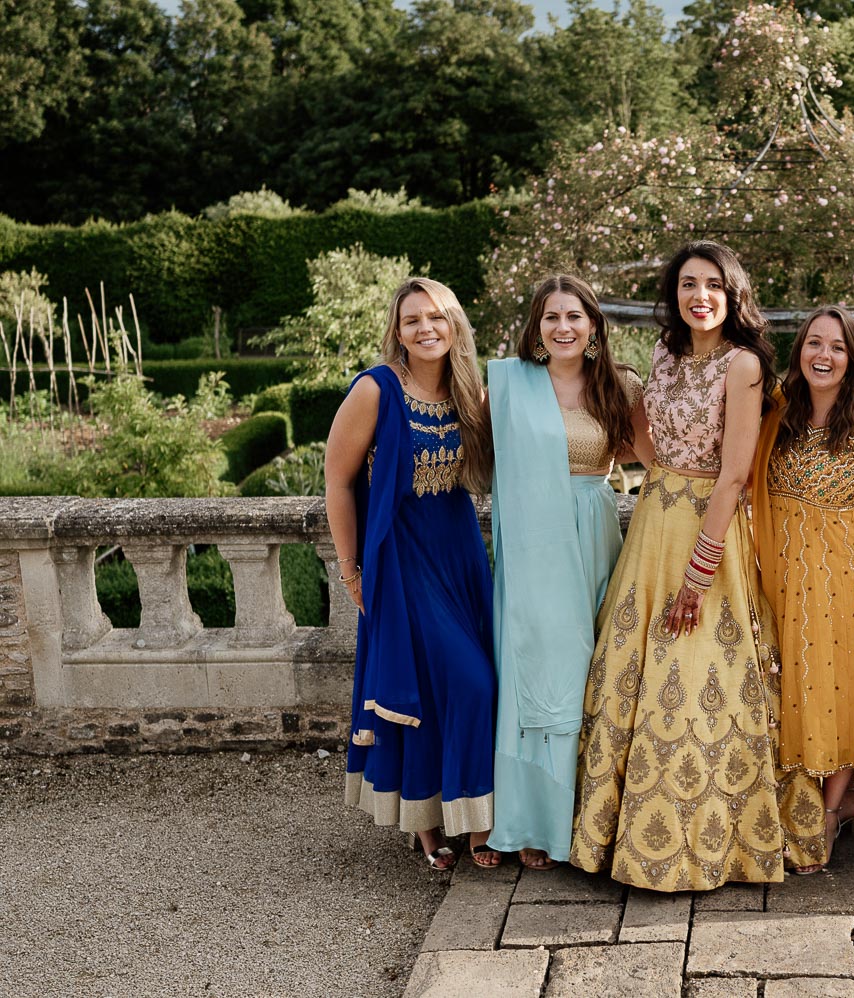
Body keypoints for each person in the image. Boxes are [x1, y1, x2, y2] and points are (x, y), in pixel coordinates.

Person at [570, 241, 824, 890]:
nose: (699, 295)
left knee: (700, 671)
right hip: (656, 518)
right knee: (634, 666)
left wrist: (698, 574)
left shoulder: (743, 366)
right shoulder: (663, 353)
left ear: (732, 294)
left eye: (713, 284)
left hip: (712, 527)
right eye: (688, 284)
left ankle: (719, 842)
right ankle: (617, 834)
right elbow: (647, 441)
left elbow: (736, 474)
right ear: (674, 293)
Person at [326, 277, 498, 871]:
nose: (426, 329)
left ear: (455, 325)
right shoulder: (376, 390)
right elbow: (338, 481)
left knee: (465, 683)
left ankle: (471, 822)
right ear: (396, 332)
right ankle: (428, 825)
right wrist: (353, 571)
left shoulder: (470, 392)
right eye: (412, 321)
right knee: (462, 682)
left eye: (436, 317)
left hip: (459, 553)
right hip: (401, 558)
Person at [486, 275, 651, 870]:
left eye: (575, 316)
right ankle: (535, 818)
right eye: (551, 317)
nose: (563, 327)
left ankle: (594, 816)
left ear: (593, 325)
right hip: (533, 543)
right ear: (536, 328)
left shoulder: (619, 384)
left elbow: (659, 458)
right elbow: (470, 450)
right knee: (538, 667)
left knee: (593, 667)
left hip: (596, 534)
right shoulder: (508, 385)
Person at [751, 305, 854, 874]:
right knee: (791, 689)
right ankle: (829, 803)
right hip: (780, 573)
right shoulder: (778, 410)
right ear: (799, 350)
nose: (823, 356)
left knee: (840, 692)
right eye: (813, 344)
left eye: (837, 347)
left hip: (846, 578)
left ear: (853, 359)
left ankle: (826, 811)